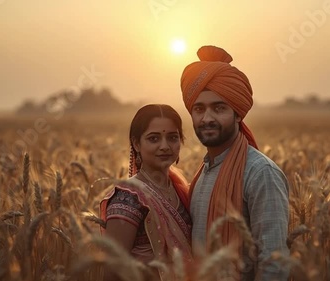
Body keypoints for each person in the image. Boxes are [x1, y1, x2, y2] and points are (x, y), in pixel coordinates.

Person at [180, 45, 290, 280]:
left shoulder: (261, 173)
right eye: (199, 109)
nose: (207, 118)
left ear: (238, 113)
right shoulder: (203, 173)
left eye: (219, 108)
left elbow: (274, 263)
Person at [99, 104, 193, 281]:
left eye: (173, 137)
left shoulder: (181, 190)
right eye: (154, 139)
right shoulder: (128, 197)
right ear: (136, 143)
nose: (165, 146)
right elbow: (113, 272)